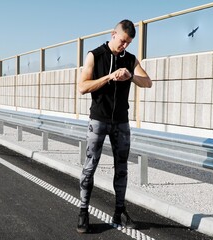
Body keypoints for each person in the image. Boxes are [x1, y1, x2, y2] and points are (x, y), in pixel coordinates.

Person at [77, 19, 152, 233]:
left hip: (121, 122)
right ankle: (83, 211)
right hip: (98, 120)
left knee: (122, 169)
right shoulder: (95, 55)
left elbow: (148, 82)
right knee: (90, 166)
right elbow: (82, 87)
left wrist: (131, 76)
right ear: (113, 34)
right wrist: (109, 77)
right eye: (122, 41)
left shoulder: (130, 59)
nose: (124, 46)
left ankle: (120, 211)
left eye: (128, 43)